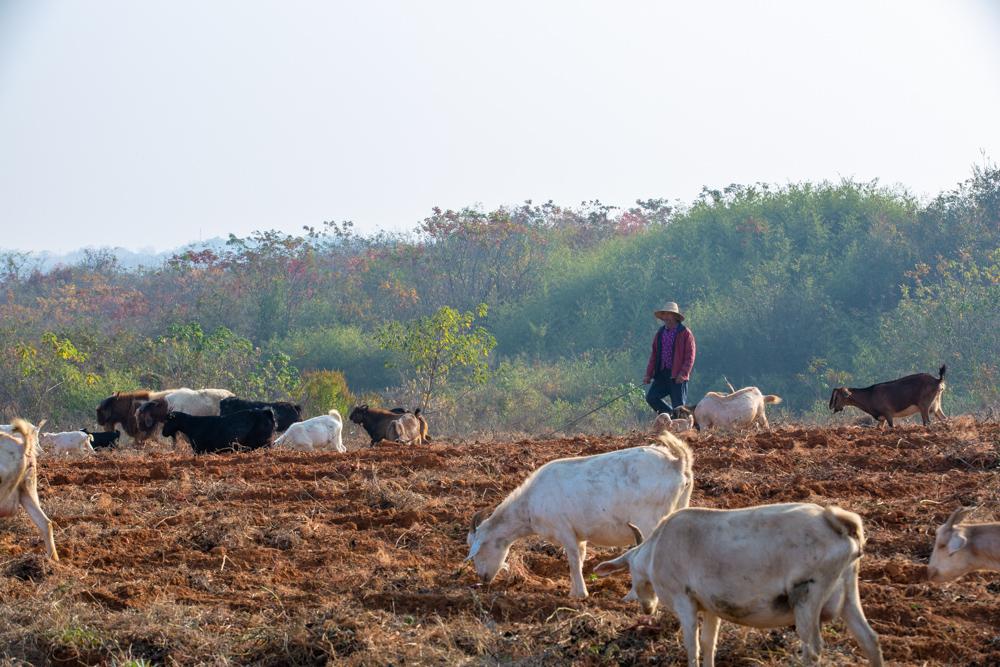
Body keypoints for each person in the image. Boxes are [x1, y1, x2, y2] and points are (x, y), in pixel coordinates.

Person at [643, 302, 696, 414]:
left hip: (677, 376)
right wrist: (648, 374)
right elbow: (654, 355)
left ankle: (684, 425)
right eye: (665, 315)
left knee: (679, 407)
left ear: (675, 316)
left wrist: (683, 373)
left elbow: (690, 356)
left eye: (669, 314)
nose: (666, 318)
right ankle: (671, 416)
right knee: (651, 398)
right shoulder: (660, 333)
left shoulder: (685, 333)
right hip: (662, 374)